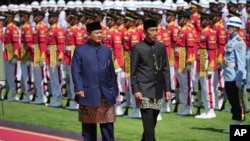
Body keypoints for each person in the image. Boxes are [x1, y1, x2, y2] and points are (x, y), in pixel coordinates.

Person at [71, 22, 118, 141]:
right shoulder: (80, 51)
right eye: (96, 33)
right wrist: (79, 88)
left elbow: (111, 72)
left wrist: (114, 90)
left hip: (105, 94)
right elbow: (76, 71)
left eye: (101, 32)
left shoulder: (107, 51)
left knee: (108, 128)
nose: (99, 35)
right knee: (88, 130)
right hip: (88, 93)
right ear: (88, 34)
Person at [130, 19, 171, 141]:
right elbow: (133, 72)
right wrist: (136, 90)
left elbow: (165, 69)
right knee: (148, 127)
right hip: (144, 90)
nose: (154, 33)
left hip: (158, 91)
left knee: (151, 125)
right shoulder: (137, 48)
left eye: (156, 30)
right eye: (151, 30)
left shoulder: (161, 47)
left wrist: (168, 89)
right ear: (144, 32)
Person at [223, 16, 247, 133]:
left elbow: (241, 63)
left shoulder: (239, 42)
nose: (228, 28)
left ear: (236, 28)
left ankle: (239, 125)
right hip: (228, 75)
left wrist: (239, 79)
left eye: (230, 26)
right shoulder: (230, 40)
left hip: (234, 76)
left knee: (237, 102)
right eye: (228, 26)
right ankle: (235, 123)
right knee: (232, 101)